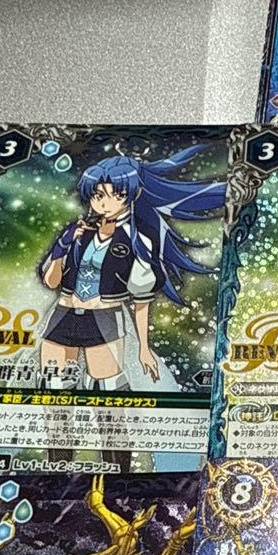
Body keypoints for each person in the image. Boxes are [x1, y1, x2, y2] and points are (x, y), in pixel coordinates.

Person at [38, 146, 225, 390]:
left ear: (132, 195)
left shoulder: (138, 239)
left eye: (116, 195)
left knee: (107, 391)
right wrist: (61, 246)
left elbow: (141, 301)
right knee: (52, 387)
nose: (104, 203)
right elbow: (51, 282)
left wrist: (144, 349)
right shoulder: (77, 232)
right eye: (97, 195)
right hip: (63, 314)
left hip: (104, 318)